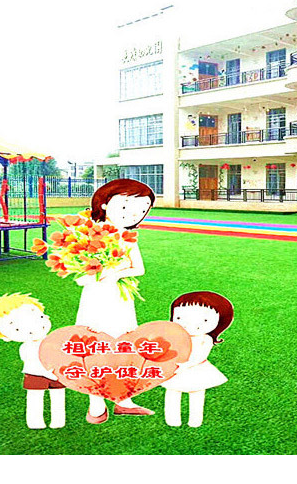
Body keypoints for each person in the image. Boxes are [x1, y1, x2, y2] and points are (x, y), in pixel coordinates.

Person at [77, 178, 155, 423]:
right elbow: (81, 274)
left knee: (124, 347)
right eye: (125, 206)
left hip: (120, 298)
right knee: (95, 348)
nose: (133, 214)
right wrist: (101, 273)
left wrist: (114, 272)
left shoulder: (127, 237)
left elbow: (139, 268)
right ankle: (96, 405)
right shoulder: (88, 234)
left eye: (142, 210)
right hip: (96, 298)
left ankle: (123, 400)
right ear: (104, 203)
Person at [0, 293, 65, 429]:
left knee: (58, 396)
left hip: (55, 374)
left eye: (40, 317)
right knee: (35, 397)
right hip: (36, 375)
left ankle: (58, 420)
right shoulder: (27, 348)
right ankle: (35, 421)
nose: (34, 328)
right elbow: (34, 362)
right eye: (17, 328)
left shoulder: (52, 341)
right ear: (5, 337)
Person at [162, 291, 234, 427]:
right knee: (173, 392)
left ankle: (195, 421)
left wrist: (186, 365)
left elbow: (201, 355)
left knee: (196, 393)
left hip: (196, 369)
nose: (189, 324)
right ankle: (172, 420)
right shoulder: (177, 335)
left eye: (205, 320)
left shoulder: (205, 339)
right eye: (179, 318)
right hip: (177, 367)